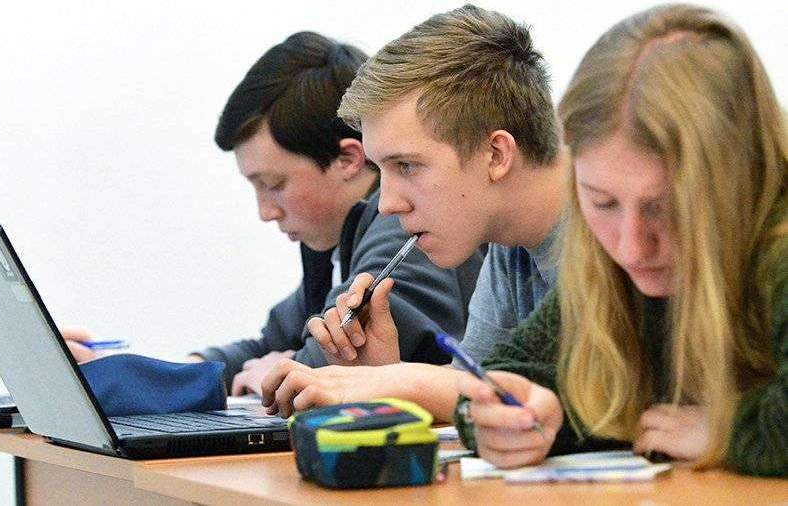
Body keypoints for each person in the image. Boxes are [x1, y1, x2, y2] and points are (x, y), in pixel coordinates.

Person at [454, 4, 786, 477]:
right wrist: (514, 417)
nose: (632, 248)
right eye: (602, 202)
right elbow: (517, 370)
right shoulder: (604, 262)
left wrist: (727, 431)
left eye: (664, 208)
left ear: (740, 179)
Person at [65, 31, 483, 395]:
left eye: (274, 184)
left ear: (348, 159)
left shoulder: (405, 226)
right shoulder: (340, 241)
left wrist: (282, 369)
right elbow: (270, 345)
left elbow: (329, 359)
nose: (265, 212)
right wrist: (152, 370)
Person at [261, 6, 566, 420]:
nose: (386, 204)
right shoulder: (509, 248)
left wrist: (398, 383)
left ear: (495, 154)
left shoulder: (611, 229)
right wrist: (382, 374)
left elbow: (596, 403)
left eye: (406, 166)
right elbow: (486, 395)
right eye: (381, 169)